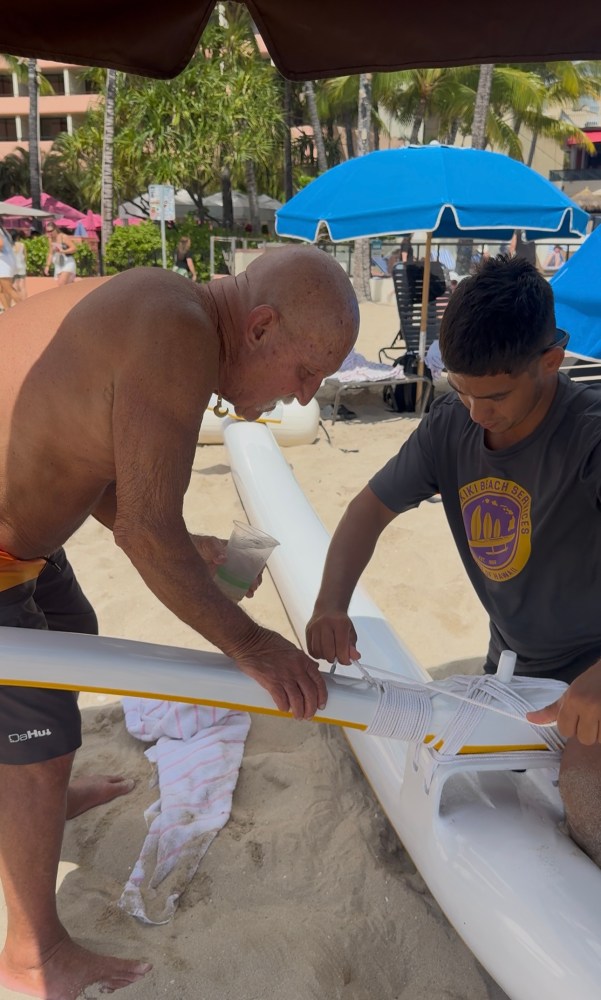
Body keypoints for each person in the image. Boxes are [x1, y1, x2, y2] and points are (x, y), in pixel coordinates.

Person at [0, 244, 359, 999]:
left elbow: (86, 449)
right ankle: (31, 957)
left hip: (26, 534)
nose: (300, 400)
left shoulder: (165, 302)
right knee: (34, 713)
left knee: (71, 627)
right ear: (258, 327)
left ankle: (39, 802)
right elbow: (144, 535)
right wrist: (253, 646)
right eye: (304, 374)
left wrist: (184, 545)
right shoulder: (179, 334)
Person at [306, 255, 601, 871]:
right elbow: (366, 511)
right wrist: (332, 601)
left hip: (593, 667)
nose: (475, 411)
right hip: (511, 667)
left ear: (550, 360)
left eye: (493, 395)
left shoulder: (589, 437)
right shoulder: (450, 429)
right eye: (459, 388)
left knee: (587, 798)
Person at [0, 225, 19, 311]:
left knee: (8, 289)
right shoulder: (3, 230)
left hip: (3, 264)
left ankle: (25, 308)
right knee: (2, 290)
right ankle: (7, 311)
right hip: (7, 263)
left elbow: (0, 244)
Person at [12, 235, 27, 300]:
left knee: (14, 285)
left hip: (13, 267)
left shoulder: (10, 246)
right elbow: (25, 256)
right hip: (21, 266)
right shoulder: (22, 245)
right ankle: (24, 302)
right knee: (22, 286)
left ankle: (16, 301)